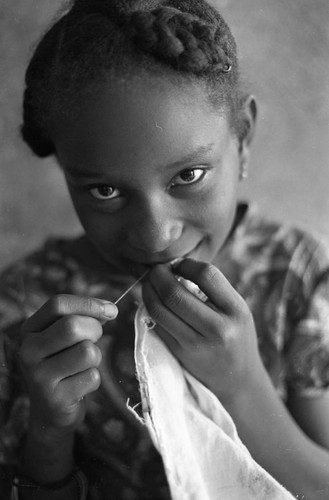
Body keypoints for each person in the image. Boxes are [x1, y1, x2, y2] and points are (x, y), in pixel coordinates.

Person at [0, 0, 329, 498]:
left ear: (242, 138)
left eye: (189, 176)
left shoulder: (298, 277)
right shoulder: (25, 310)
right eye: (105, 191)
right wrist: (49, 430)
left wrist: (242, 385)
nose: (154, 236)